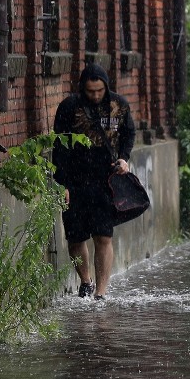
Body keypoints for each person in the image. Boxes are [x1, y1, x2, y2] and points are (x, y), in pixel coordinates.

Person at [52, 63, 135, 300]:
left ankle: (101, 292)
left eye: (99, 91)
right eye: (90, 91)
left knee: (103, 235)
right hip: (75, 179)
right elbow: (59, 147)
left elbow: (129, 134)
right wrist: (62, 183)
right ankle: (85, 281)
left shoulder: (119, 106)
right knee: (76, 237)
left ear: (106, 87)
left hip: (105, 179)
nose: (95, 95)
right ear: (82, 89)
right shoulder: (69, 107)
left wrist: (123, 158)